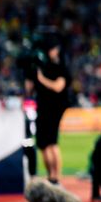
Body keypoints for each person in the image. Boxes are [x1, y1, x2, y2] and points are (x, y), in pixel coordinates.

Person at [33, 36, 73, 182]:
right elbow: (30, 88)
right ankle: (51, 175)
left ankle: (57, 175)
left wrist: (41, 79)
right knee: (43, 144)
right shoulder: (42, 66)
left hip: (53, 109)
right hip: (42, 108)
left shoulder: (61, 67)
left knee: (52, 142)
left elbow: (58, 87)